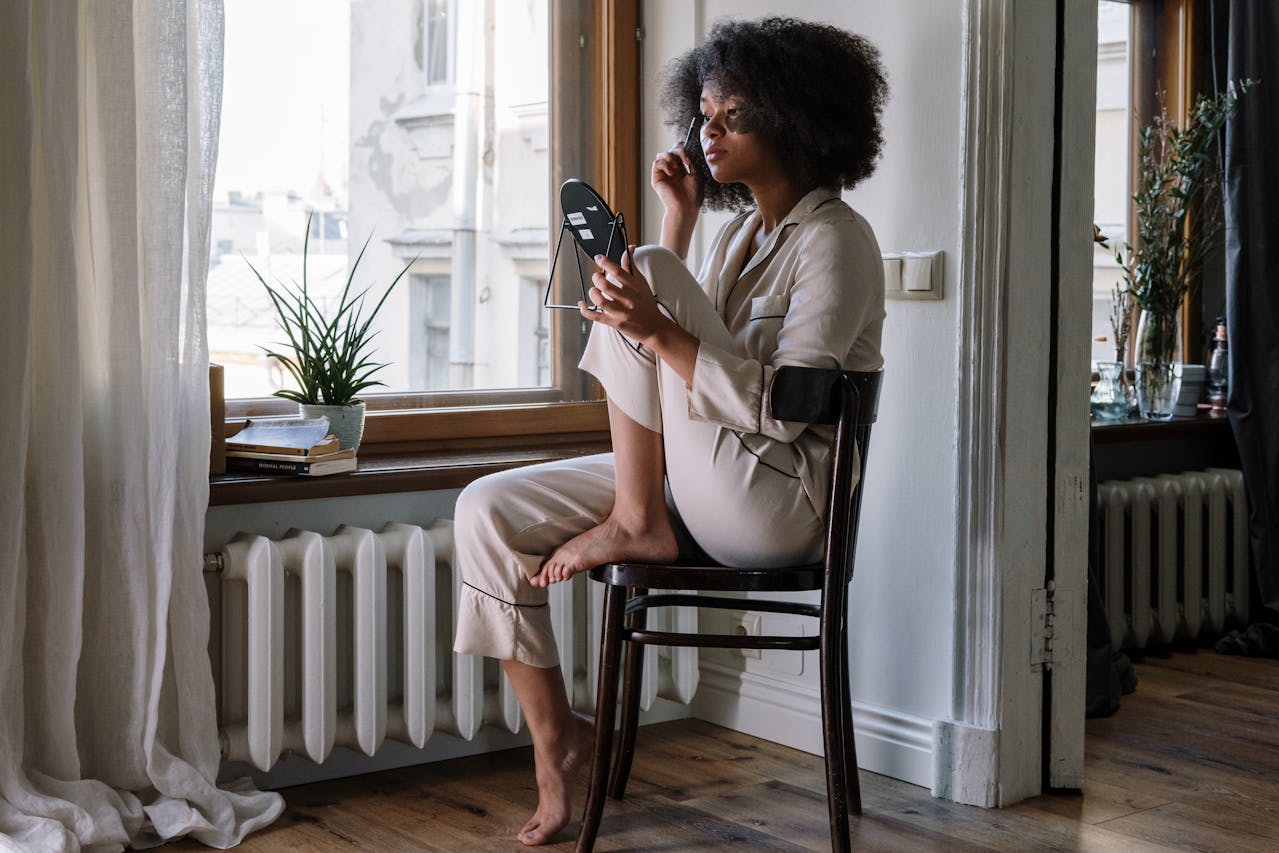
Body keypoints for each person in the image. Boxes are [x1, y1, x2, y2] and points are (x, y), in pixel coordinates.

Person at [451, 16, 888, 846]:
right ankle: (558, 741)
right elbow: (676, 349)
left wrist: (653, 312)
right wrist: (679, 217)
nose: (708, 130)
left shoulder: (835, 242)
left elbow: (786, 409)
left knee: (640, 268)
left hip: (771, 501)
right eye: (706, 113)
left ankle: (636, 519)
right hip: (700, 478)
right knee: (484, 508)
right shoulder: (737, 235)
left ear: (794, 120)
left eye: (734, 115)